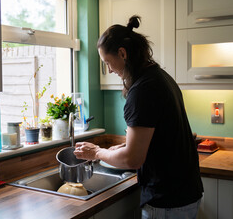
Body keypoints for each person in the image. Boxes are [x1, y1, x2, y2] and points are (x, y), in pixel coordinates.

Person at [73, 15, 203, 219]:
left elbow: (132, 159)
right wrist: (124, 146)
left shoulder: (142, 90)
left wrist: (97, 152)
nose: (108, 69)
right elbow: (156, 135)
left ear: (122, 53)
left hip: (167, 200)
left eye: (108, 62)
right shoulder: (159, 76)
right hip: (184, 191)